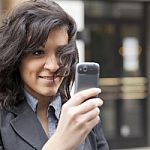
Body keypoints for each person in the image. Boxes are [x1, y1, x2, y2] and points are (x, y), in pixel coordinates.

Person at [0, 0, 109, 150]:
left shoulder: (80, 113)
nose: (53, 66)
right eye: (38, 52)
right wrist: (60, 144)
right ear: (16, 58)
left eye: (61, 53)